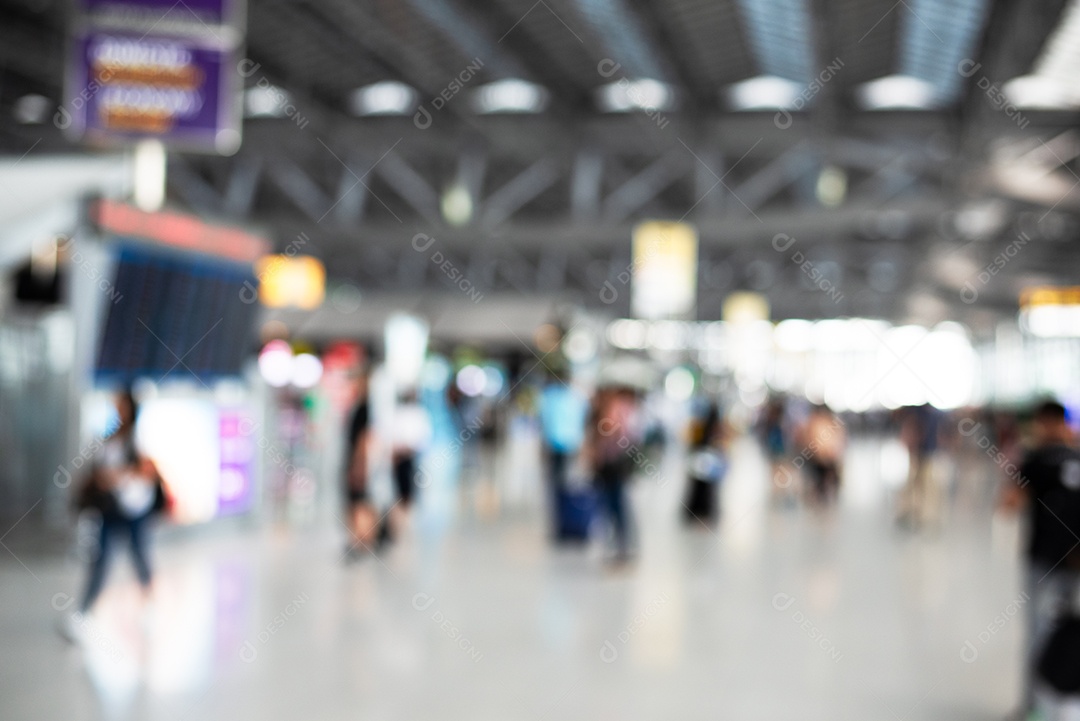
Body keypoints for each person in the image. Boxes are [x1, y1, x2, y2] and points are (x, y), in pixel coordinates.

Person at [1000, 400, 1080, 720]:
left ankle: (1035, 708)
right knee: (1072, 632)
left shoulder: (1037, 460)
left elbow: (1008, 504)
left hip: (1044, 560)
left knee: (1040, 633)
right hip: (1076, 563)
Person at [63, 390, 164, 640]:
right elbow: (97, 472)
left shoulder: (139, 439)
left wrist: (120, 474)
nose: (118, 412)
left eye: (122, 407)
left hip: (136, 510)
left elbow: (149, 471)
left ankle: (149, 605)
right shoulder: (107, 440)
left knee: (140, 557)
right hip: (112, 509)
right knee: (101, 561)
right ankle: (83, 615)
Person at [585, 386, 640, 566]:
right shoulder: (625, 409)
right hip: (611, 467)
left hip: (613, 467)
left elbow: (613, 432)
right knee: (614, 506)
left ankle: (622, 548)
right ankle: (619, 547)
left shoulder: (616, 408)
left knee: (615, 506)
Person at [537, 371, 589, 540]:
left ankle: (566, 522)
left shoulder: (553, 396)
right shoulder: (574, 397)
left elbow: (545, 422)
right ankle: (565, 523)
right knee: (565, 486)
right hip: (566, 446)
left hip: (561, 446)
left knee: (561, 486)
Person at [343, 370, 377, 559]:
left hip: (360, 462)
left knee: (359, 502)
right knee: (359, 501)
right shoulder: (362, 407)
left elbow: (364, 439)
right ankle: (362, 539)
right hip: (359, 461)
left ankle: (361, 541)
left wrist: (359, 464)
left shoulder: (365, 408)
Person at [683, 401, 728, 527]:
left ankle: (697, 513)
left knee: (698, 489)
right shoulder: (714, 427)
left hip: (699, 459)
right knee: (707, 490)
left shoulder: (698, 424)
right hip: (707, 461)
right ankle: (704, 514)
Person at [797, 404, 845, 506]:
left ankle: (824, 496)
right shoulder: (813, 422)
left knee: (828, 478)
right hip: (816, 456)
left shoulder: (831, 423)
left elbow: (838, 440)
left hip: (828, 456)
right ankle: (819, 496)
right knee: (817, 478)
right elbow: (808, 438)